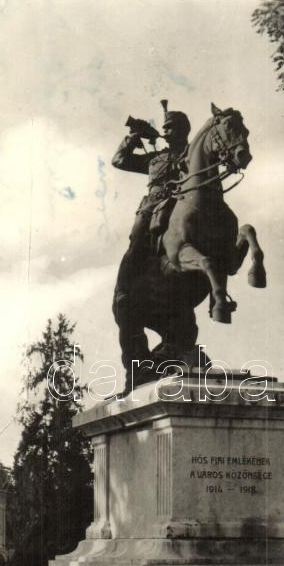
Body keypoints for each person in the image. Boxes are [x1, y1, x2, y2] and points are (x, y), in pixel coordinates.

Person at [111, 102, 191, 392]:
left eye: (172, 127)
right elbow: (119, 161)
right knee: (137, 239)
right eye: (165, 127)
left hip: (181, 206)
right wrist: (135, 136)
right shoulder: (154, 157)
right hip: (151, 209)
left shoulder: (191, 153)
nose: (167, 131)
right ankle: (126, 284)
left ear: (183, 130)